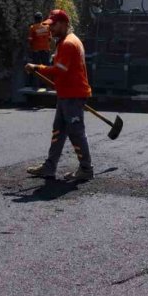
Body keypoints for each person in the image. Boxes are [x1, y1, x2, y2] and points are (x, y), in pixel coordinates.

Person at [24, 10, 94, 181]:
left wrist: (37, 68)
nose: (51, 28)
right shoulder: (67, 41)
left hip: (73, 95)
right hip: (67, 94)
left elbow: (59, 71)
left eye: (54, 25)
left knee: (76, 132)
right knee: (59, 131)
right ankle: (49, 167)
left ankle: (86, 169)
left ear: (63, 23)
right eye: (50, 25)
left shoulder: (68, 44)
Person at [27, 12, 52, 88]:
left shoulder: (32, 28)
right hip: (45, 49)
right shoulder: (47, 27)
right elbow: (50, 38)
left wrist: (31, 45)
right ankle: (47, 85)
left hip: (36, 50)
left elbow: (30, 39)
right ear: (41, 19)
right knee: (46, 67)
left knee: (36, 67)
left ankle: (36, 86)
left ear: (35, 19)